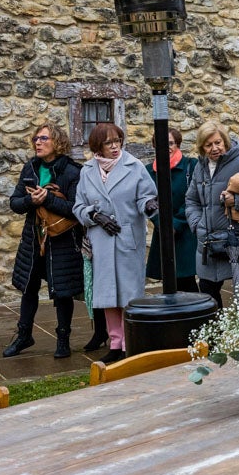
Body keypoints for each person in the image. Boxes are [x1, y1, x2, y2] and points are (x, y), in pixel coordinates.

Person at [72, 122, 157, 364]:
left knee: (128, 294)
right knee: (108, 295)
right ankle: (115, 343)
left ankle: (131, 342)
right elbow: (77, 206)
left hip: (127, 238)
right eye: (108, 143)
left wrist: (149, 205)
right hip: (101, 240)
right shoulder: (87, 171)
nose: (114, 147)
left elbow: (146, 196)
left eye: (117, 141)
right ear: (98, 146)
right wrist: (95, 216)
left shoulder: (134, 166)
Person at [4, 122, 84, 360]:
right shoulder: (30, 168)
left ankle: (63, 339)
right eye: (36, 139)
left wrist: (47, 198)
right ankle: (24, 335)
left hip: (62, 241)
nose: (37, 142)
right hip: (34, 239)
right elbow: (15, 203)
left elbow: (75, 209)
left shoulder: (72, 171)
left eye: (43, 138)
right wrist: (32, 202)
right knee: (28, 288)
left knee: (62, 292)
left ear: (57, 142)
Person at [184, 121, 239, 309]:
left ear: (225, 141)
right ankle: (215, 338)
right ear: (202, 147)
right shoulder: (200, 167)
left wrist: (238, 201)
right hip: (209, 243)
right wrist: (197, 225)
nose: (214, 148)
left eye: (218, 143)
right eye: (208, 145)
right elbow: (191, 200)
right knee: (208, 297)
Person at [145, 126, 199, 293]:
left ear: (178, 145)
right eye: (161, 143)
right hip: (163, 232)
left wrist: (175, 224)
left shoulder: (192, 166)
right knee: (169, 284)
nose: (166, 147)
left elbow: (193, 199)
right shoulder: (147, 172)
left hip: (185, 231)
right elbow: (147, 202)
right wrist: (162, 223)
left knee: (188, 283)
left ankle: (196, 318)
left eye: (170, 143)